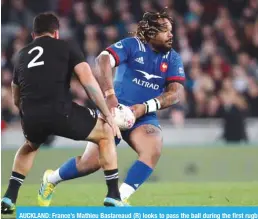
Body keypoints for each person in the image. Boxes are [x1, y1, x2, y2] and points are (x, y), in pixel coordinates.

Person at [39, 8, 185, 205]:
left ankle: (118, 198)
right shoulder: (133, 45)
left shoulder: (173, 57)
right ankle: (51, 179)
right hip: (114, 111)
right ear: (151, 34)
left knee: (153, 147)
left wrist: (145, 107)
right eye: (165, 30)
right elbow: (103, 59)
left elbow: (175, 93)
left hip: (144, 115)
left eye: (171, 30)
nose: (171, 35)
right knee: (90, 164)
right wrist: (109, 95)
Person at [1, 12, 127, 214]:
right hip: (60, 110)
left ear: (34, 35)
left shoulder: (22, 54)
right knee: (105, 133)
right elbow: (88, 83)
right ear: (56, 33)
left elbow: (16, 96)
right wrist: (108, 115)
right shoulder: (66, 46)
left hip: (31, 114)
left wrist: (26, 115)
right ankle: (113, 195)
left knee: (30, 146)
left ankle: (9, 196)